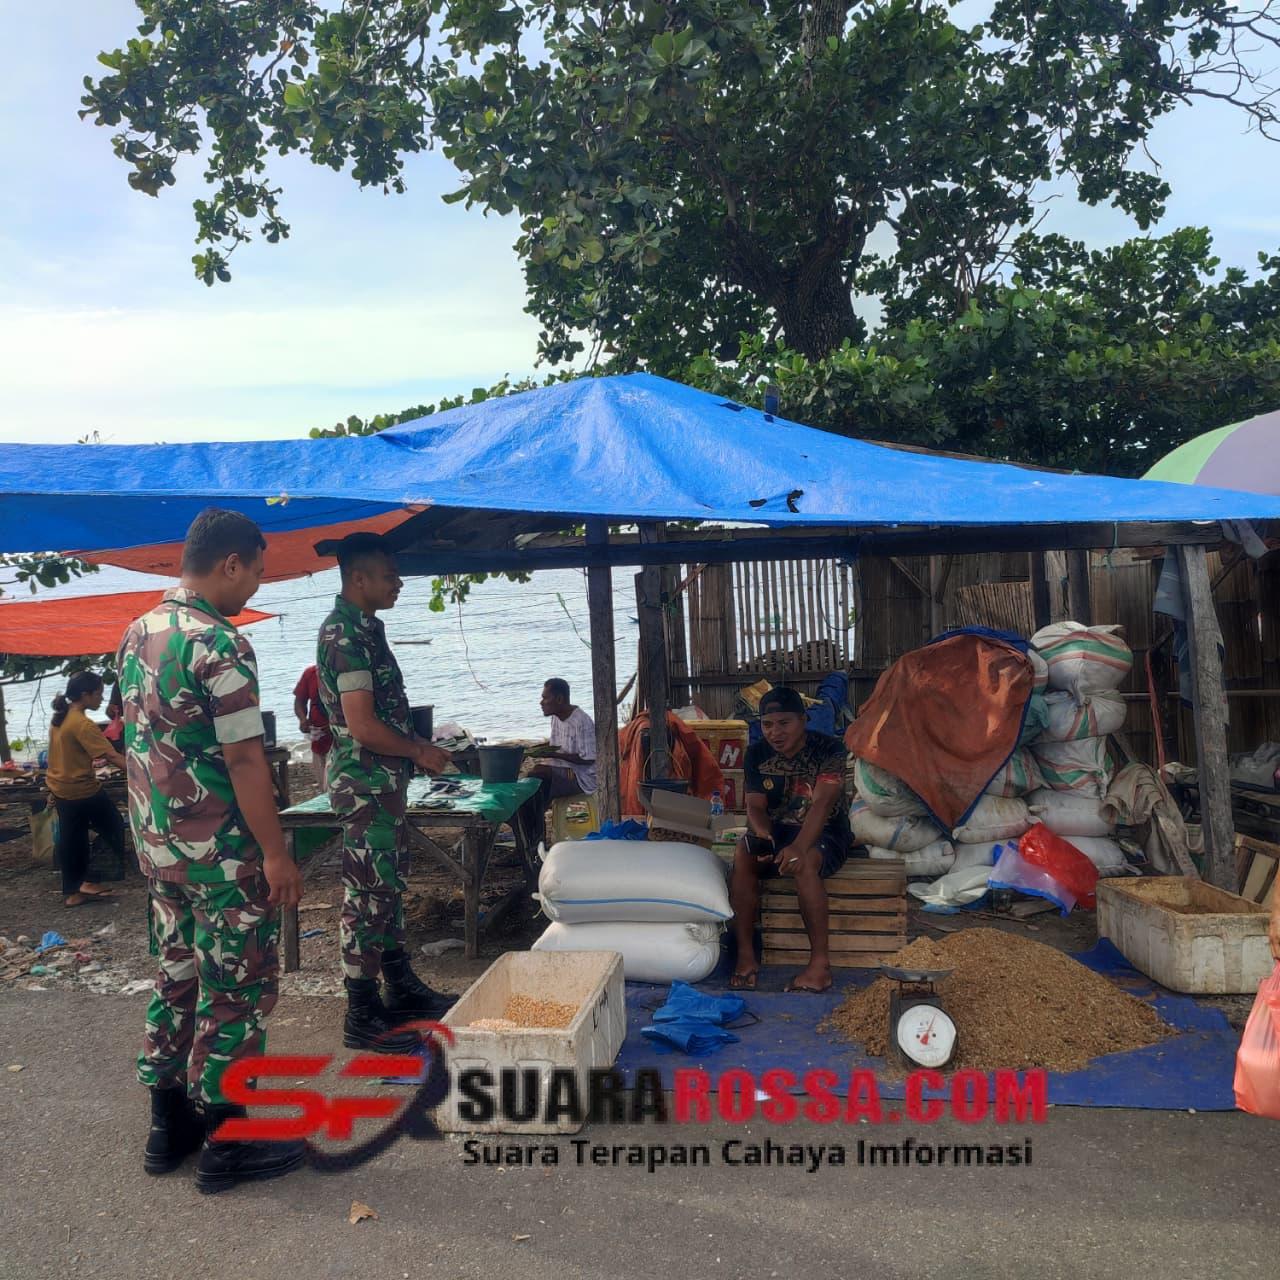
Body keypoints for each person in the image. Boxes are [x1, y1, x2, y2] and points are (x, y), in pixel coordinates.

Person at [118, 507, 306, 1194]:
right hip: (223, 856)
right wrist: (276, 854)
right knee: (235, 988)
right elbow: (246, 760)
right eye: (255, 573)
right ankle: (229, 1139)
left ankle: (168, 1124)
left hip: (159, 848)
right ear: (230, 563)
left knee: (176, 976)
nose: (254, 587)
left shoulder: (138, 632)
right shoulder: (221, 644)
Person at [316, 532, 454, 1053]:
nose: (398, 584)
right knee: (366, 896)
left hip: (383, 784)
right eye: (390, 576)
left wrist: (416, 748)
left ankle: (400, 987)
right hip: (365, 785)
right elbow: (363, 725)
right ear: (359, 578)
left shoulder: (367, 629)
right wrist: (419, 750)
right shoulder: (344, 635)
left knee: (387, 888)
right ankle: (361, 1011)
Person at [729, 687, 853, 994]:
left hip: (826, 830)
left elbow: (822, 803)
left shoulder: (830, 749)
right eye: (767, 725)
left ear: (803, 720)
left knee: (805, 862)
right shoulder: (756, 753)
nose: (775, 732)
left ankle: (820, 967)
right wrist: (764, 836)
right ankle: (746, 955)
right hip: (778, 831)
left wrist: (798, 847)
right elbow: (755, 806)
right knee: (743, 854)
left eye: (784, 723)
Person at [46, 670, 128, 907]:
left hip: (61, 787)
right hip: (82, 789)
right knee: (114, 826)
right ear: (85, 695)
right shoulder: (82, 724)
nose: (101, 699)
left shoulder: (60, 717)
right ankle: (91, 879)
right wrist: (142, 774)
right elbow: (111, 755)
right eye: (98, 694)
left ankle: (73, 891)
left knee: (74, 838)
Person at [519, 679, 597, 844]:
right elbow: (556, 746)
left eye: (545, 698)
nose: (541, 703)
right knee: (531, 793)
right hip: (560, 770)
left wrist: (557, 755)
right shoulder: (556, 718)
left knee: (538, 774)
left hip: (580, 777)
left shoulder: (582, 721)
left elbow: (589, 758)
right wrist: (530, 750)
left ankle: (535, 841)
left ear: (559, 699)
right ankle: (533, 841)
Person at [292, 663, 332, 791]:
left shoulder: (343, 673)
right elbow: (299, 700)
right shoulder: (311, 673)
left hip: (341, 738)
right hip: (318, 737)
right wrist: (303, 719)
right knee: (323, 785)